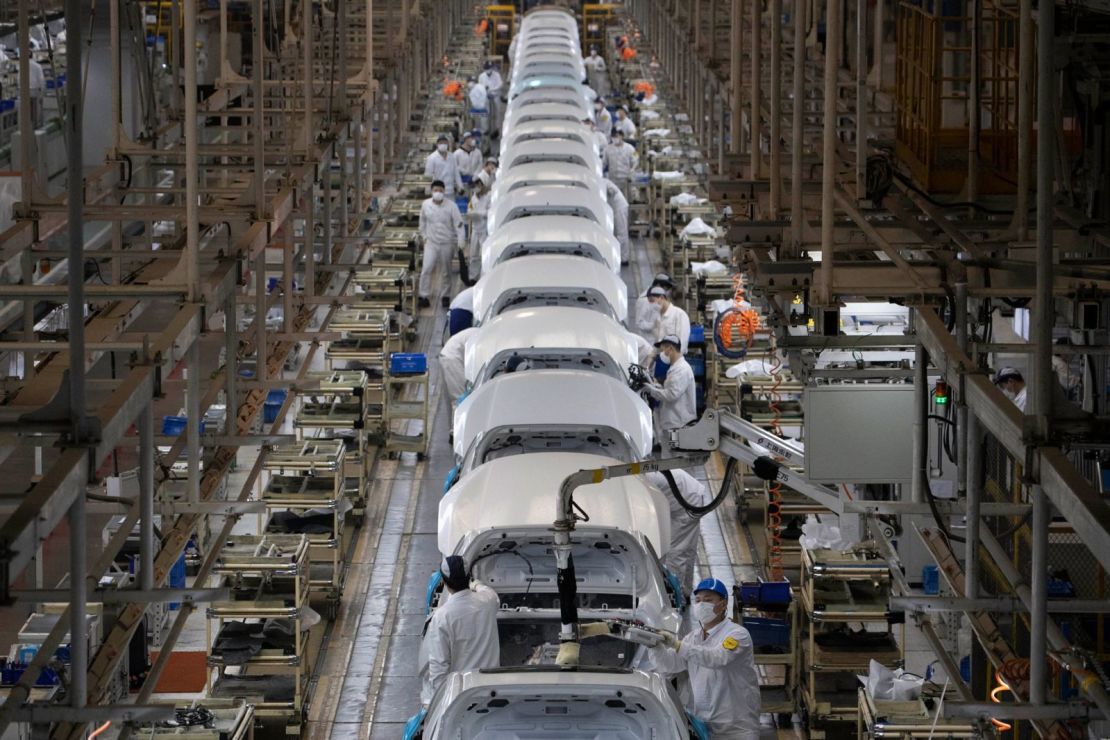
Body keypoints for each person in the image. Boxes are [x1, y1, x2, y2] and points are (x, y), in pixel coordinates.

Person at [650, 578, 761, 740]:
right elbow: (669, 664)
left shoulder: (737, 635)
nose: (701, 605)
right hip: (705, 724)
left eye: (708, 600)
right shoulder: (693, 638)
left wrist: (677, 644)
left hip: (737, 727)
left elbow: (716, 658)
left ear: (723, 605)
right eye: (698, 600)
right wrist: (653, 645)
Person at [420, 555, 500, 706]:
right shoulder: (488, 600)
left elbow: (439, 666)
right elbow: (488, 591)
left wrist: (441, 703)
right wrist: (476, 584)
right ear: (469, 576)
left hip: (462, 697)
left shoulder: (442, 617)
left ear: (444, 582)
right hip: (492, 691)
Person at [645, 470, 709, 596]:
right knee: (687, 550)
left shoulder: (637, 482)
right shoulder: (637, 473)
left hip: (687, 503)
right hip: (687, 495)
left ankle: (674, 596)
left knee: (676, 552)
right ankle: (685, 591)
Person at [418, 180, 465, 308]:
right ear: (431, 191)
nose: (438, 193)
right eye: (435, 190)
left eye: (440, 190)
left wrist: (461, 240)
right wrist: (424, 237)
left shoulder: (452, 206)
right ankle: (423, 295)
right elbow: (422, 222)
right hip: (431, 243)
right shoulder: (425, 205)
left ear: (444, 192)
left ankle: (445, 295)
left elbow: (459, 224)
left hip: (447, 243)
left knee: (446, 271)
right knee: (426, 269)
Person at [645, 335, 696, 437]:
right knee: (668, 452)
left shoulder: (681, 370)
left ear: (670, 348)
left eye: (663, 349)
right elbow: (669, 389)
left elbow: (671, 395)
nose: (662, 352)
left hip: (677, 426)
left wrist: (651, 390)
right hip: (672, 423)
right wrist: (655, 385)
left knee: (675, 452)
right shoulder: (675, 368)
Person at [439, 327, 477, 413]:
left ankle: (454, 423)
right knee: (460, 399)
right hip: (453, 359)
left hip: (449, 355)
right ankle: (458, 424)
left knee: (455, 397)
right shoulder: (483, 338)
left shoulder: (481, 332)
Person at [649, 287, 691, 353]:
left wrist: (672, 359)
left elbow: (682, 344)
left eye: (652, 301)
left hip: (675, 359)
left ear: (662, 298)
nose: (652, 305)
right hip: (661, 358)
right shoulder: (657, 318)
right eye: (650, 303)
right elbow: (657, 342)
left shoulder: (679, 314)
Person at [635, 273, 675, 340]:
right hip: (648, 341)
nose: (667, 291)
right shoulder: (644, 300)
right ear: (658, 285)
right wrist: (654, 325)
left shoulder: (659, 297)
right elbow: (639, 323)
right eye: (666, 288)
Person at [467, 171, 492, 280]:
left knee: (484, 255)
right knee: (473, 255)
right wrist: (470, 213)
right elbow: (470, 208)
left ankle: (484, 278)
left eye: (478, 185)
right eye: (474, 186)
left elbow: (492, 212)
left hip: (485, 230)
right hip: (475, 229)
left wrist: (481, 213)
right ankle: (473, 277)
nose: (476, 188)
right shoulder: (473, 198)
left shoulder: (489, 196)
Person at [603, 130, 638, 200]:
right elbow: (603, 163)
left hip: (626, 179)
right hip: (613, 180)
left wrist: (632, 169)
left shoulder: (630, 148)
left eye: (616, 136)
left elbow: (636, 160)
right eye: (613, 137)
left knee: (628, 199)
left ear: (621, 136)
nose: (614, 139)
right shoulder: (607, 149)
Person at [603, 177, 630, 265]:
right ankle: (621, 257)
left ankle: (624, 259)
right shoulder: (603, 182)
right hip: (615, 208)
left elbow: (613, 191)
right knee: (619, 234)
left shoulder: (605, 183)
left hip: (620, 207)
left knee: (621, 233)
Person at [478, 62, 504, 133]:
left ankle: (496, 128)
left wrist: (493, 89)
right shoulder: (481, 76)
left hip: (495, 96)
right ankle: (485, 129)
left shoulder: (496, 75)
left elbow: (500, 84)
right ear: (484, 69)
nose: (489, 70)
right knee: (485, 114)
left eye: (490, 68)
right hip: (485, 97)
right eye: (487, 69)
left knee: (497, 112)